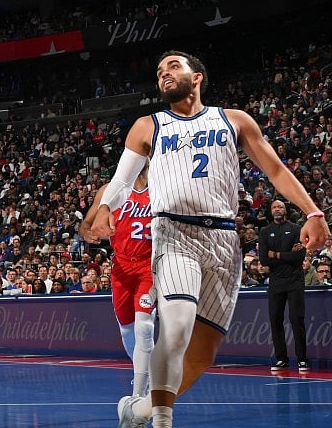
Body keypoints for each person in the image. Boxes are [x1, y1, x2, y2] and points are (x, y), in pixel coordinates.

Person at [89, 50, 330, 428]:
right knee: (177, 325)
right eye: (159, 71)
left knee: (202, 355)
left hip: (223, 240)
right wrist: (106, 207)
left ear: (197, 76)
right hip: (173, 233)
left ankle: (136, 410)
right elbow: (120, 182)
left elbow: (276, 169)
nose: (163, 74)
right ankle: (162, 421)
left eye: (172, 67)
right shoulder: (147, 126)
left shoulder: (234, 120)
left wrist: (313, 211)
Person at [81, 166, 154, 401]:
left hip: (150, 266)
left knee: (145, 326)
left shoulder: (163, 185)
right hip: (121, 268)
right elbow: (86, 224)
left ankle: (141, 388)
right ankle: (143, 370)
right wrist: (88, 233)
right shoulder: (110, 190)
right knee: (127, 328)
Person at [258, 199, 309, 370]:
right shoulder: (265, 231)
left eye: (280, 206)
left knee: (296, 319)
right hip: (276, 282)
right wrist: (286, 255)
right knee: (275, 319)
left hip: (295, 280)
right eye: (274, 207)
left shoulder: (296, 229)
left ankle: (302, 358)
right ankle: (282, 358)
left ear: (285, 210)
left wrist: (276, 255)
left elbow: (299, 257)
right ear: (271, 211)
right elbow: (264, 259)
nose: (277, 209)